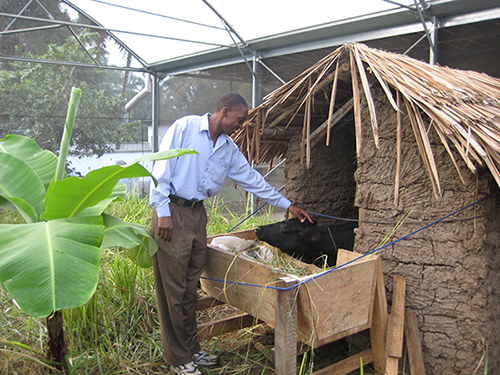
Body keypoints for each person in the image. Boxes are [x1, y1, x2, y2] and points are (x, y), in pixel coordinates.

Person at [150, 92, 312, 375]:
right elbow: (161, 168)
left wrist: (289, 206)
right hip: (171, 213)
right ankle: (178, 359)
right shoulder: (185, 128)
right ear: (224, 112)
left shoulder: (228, 149)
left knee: (189, 287)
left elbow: (254, 181)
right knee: (172, 289)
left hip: (197, 214)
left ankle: (192, 350)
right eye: (238, 120)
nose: (240, 126)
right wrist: (162, 211)